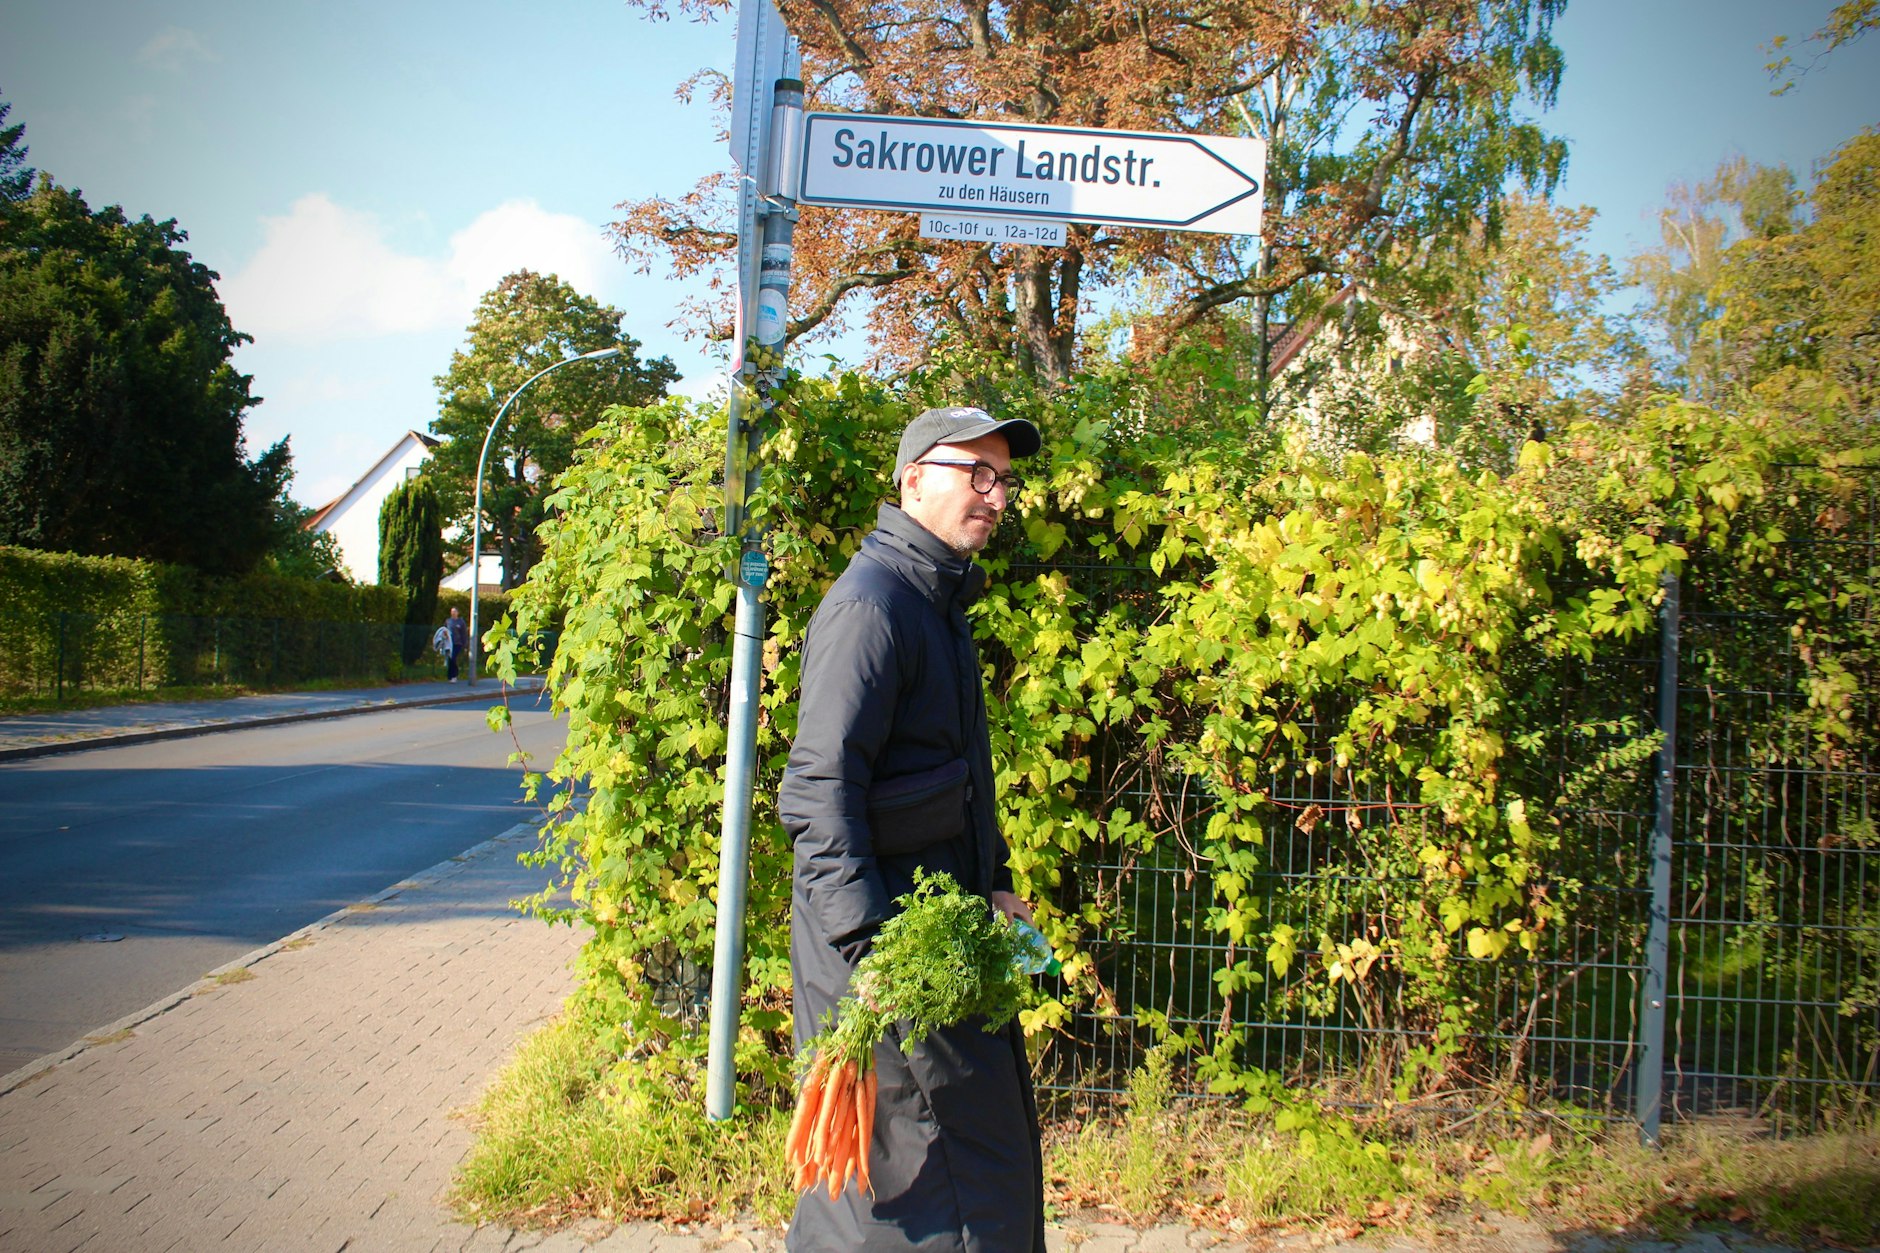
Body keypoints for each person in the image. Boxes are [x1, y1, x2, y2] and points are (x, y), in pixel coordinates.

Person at [779, 405, 1046, 1251]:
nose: (995, 494)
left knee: (961, 1182)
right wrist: (873, 951)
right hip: (885, 970)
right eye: (977, 472)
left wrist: (993, 875)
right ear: (912, 479)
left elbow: (956, 773)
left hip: (932, 950)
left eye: (1002, 478)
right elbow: (819, 795)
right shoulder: (872, 608)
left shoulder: (936, 600)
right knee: (913, 1199)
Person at [445, 606, 469, 682]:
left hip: (457, 643)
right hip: (449, 643)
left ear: (458, 613)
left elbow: (464, 634)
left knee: (453, 658)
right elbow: (444, 630)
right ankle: (449, 676)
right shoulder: (448, 621)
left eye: (455, 611)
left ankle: (454, 675)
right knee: (449, 659)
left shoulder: (461, 622)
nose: (453, 613)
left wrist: (465, 644)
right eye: (452, 611)